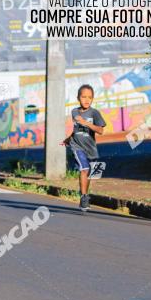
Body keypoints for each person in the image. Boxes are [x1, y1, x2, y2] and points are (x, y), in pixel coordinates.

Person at [61, 84, 106, 212]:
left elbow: (101, 130)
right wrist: (69, 139)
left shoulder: (95, 113)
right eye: (83, 97)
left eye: (89, 97)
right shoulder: (74, 112)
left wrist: (87, 123)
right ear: (78, 98)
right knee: (84, 169)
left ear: (93, 99)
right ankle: (84, 197)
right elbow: (77, 130)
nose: (86, 100)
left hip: (91, 148)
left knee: (91, 173)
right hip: (77, 146)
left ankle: (84, 194)